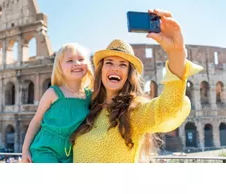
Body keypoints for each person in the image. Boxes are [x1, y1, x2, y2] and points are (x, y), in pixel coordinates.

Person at [71, 9, 203, 163]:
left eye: (122, 64)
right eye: (109, 63)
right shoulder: (87, 106)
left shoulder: (133, 111)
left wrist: (176, 51)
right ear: (101, 71)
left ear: (128, 74)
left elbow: (169, 106)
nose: (115, 68)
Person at [21, 43, 94, 163]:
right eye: (70, 60)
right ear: (59, 67)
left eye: (81, 59)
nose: (77, 63)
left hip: (72, 151)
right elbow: (36, 121)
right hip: (45, 148)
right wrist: (25, 150)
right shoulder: (53, 93)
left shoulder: (90, 96)